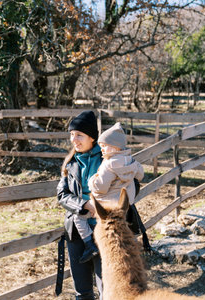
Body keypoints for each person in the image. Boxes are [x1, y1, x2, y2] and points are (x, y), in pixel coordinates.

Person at [57, 110, 103, 300]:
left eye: (79, 135)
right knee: (82, 291)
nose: (74, 140)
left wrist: (99, 206)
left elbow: (131, 186)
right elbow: (62, 194)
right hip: (77, 232)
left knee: (107, 290)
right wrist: (83, 204)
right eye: (72, 135)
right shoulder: (71, 163)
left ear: (92, 137)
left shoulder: (107, 159)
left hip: (103, 231)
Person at [88, 122, 144, 204]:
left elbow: (100, 187)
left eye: (104, 146)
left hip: (108, 205)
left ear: (115, 146)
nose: (101, 149)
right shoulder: (131, 161)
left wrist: (92, 180)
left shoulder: (109, 164)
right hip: (125, 203)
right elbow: (140, 175)